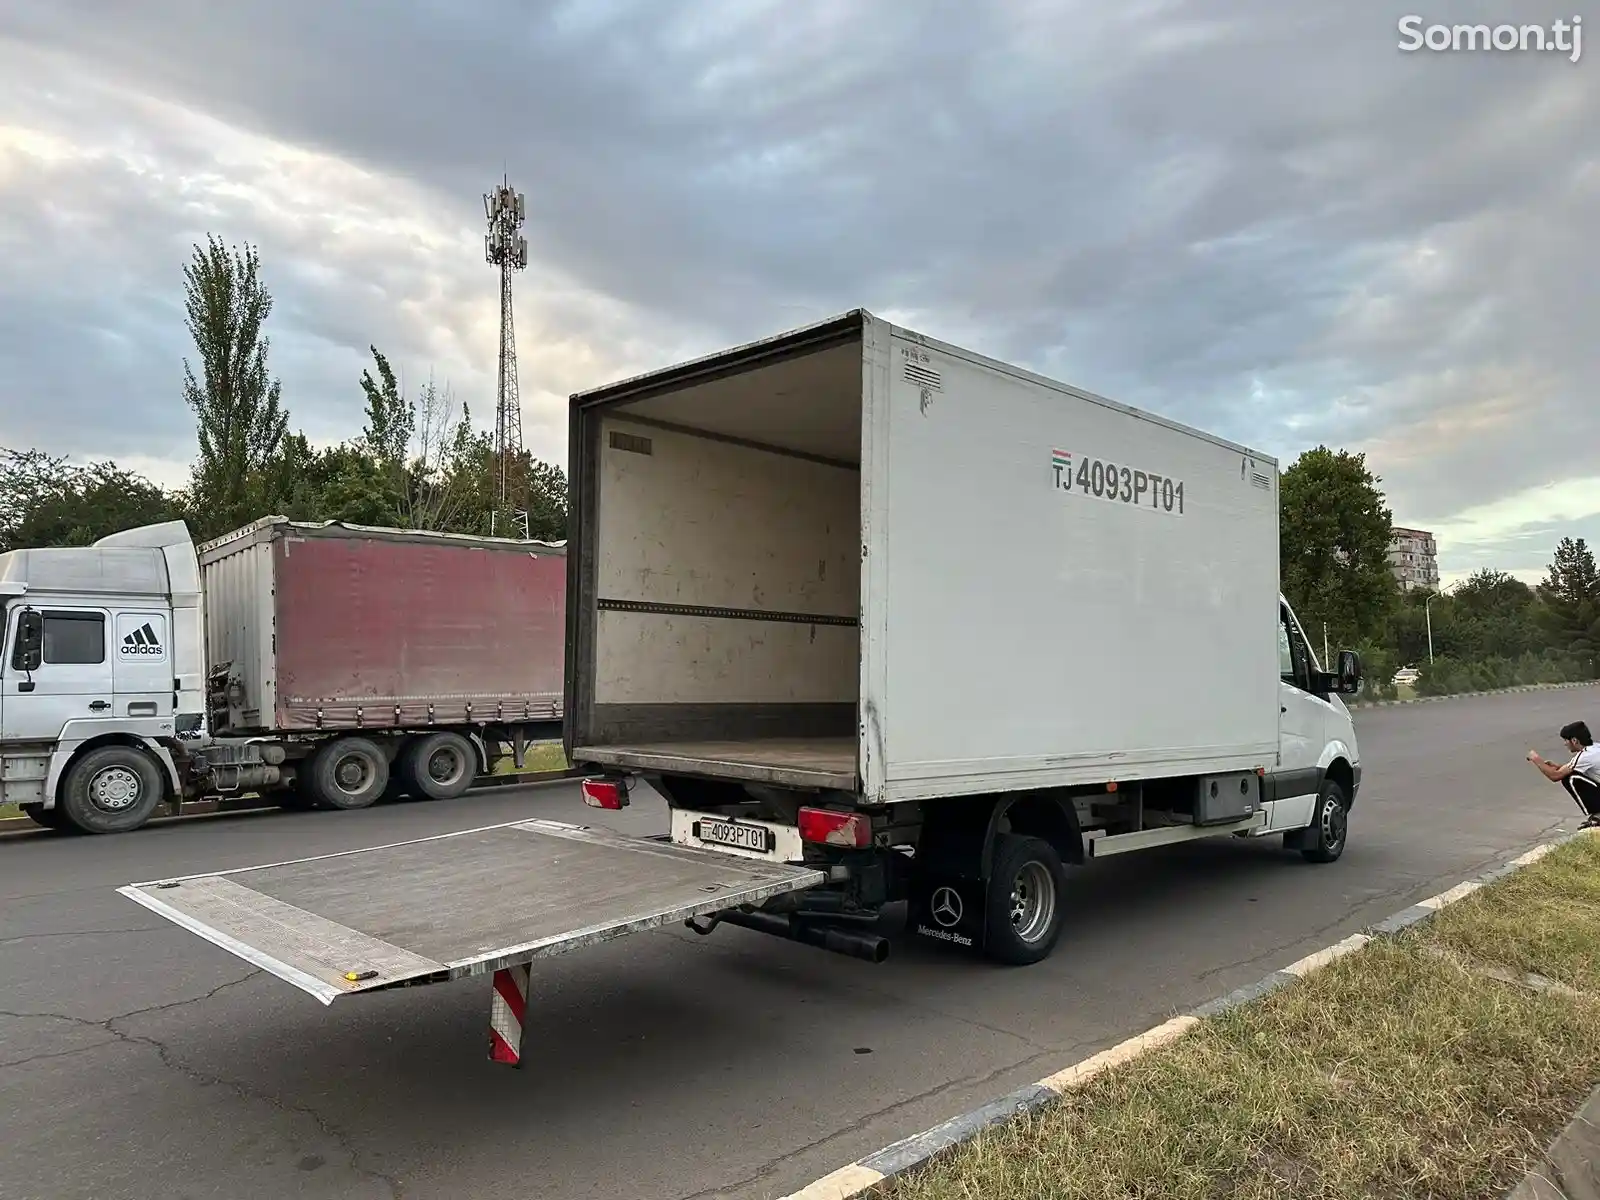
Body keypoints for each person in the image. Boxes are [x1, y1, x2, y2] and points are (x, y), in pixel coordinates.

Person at [1527, 720, 1600, 829]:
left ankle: (1598, 816)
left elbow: (1555, 776)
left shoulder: (1585, 755)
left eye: (1566, 740)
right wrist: (1557, 767)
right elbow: (1569, 768)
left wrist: (1536, 759)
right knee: (1571, 774)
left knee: (1570, 779)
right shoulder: (1595, 747)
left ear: (1574, 740)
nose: (1565, 744)